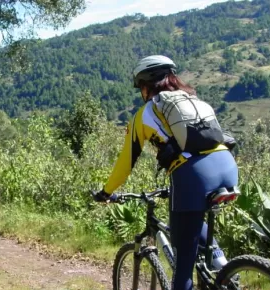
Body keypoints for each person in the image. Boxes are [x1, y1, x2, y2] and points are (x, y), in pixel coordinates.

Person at [93, 55, 239, 290]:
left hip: (193, 175)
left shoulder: (145, 113)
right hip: (228, 166)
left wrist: (106, 191)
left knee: (183, 265)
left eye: (140, 87)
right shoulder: (194, 101)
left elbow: (125, 162)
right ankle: (225, 269)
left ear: (145, 85)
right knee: (194, 222)